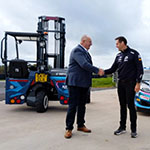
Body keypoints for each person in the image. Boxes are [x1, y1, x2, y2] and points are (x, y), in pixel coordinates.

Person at [104, 36, 143, 138]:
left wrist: (138, 83)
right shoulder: (118, 56)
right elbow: (113, 69)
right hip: (120, 84)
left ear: (122, 43)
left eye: (117, 43)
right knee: (122, 106)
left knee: (131, 106)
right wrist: (102, 71)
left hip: (130, 84)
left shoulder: (134, 54)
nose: (116, 45)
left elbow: (140, 69)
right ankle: (122, 127)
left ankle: (133, 130)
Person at [64, 35, 102, 139]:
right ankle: (69, 128)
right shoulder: (77, 50)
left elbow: (87, 68)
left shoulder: (86, 53)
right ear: (83, 41)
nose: (91, 44)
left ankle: (80, 125)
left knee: (82, 105)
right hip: (75, 83)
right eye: (90, 42)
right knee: (73, 106)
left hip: (84, 83)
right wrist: (97, 70)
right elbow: (84, 64)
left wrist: (96, 73)